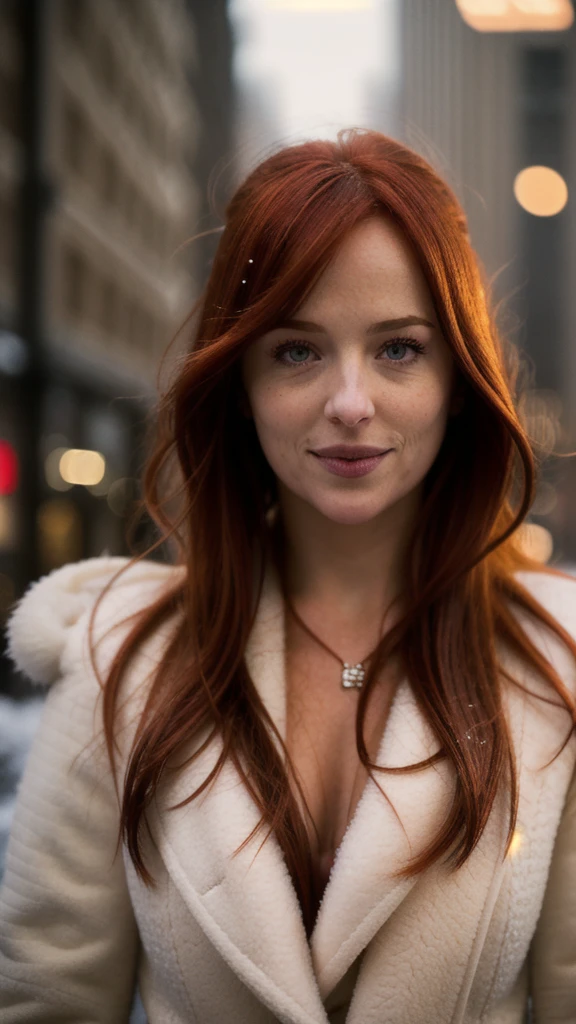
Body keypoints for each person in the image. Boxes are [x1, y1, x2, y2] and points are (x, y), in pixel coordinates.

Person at [1, 128, 575, 1024]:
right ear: (241, 382)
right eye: (298, 351)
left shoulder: (561, 662)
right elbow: (45, 999)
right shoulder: (120, 657)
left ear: (458, 379)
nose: (351, 403)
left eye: (399, 349)